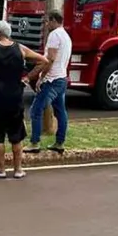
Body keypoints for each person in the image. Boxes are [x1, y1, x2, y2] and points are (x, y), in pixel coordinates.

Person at [0, 20, 48, 179]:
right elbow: (43, 61)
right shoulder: (20, 48)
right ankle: (18, 170)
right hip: (15, 94)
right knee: (16, 134)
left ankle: (0, 169)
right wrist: (27, 78)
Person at [26, 9, 72, 154]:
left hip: (51, 79)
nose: (45, 24)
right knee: (61, 112)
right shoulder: (66, 36)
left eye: (47, 21)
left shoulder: (54, 35)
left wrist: (41, 77)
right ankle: (59, 142)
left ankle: (35, 143)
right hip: (62, 78)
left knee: (36, 110)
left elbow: (50, 59)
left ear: (53, 20)